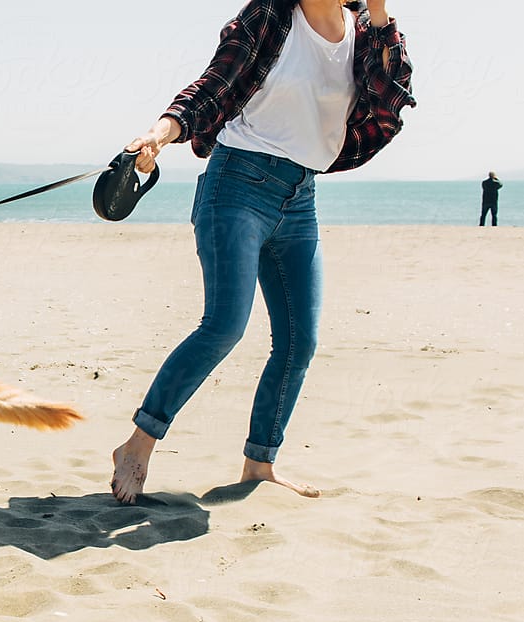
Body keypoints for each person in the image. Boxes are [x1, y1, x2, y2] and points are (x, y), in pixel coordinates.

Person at [110, 0, 415, 504]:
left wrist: (380, 14)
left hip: (301, 197)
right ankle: (137, 444)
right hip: (238, 184)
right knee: (225, 325)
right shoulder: (272, 15)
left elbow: (392, 95)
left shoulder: (363, 31)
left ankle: (259, 463)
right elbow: (213, 86)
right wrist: (160, 134)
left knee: (299, 341)